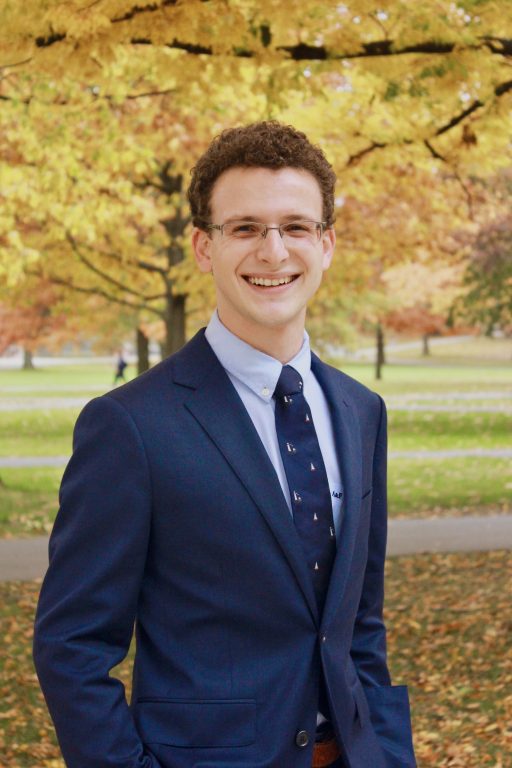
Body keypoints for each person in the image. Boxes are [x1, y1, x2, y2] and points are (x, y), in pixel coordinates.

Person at [33, 121, 416, 768]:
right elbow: (71, 644)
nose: (273, 252)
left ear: (326, 245)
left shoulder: (360, 411)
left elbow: (359, 627)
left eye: (295, 227)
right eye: (245, 228)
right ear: (204, 247)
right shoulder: (130, 426)